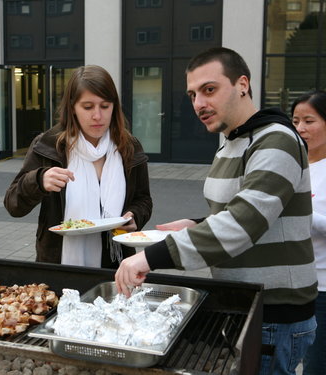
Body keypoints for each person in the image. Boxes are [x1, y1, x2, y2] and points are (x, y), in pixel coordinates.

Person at [115, 47, 317, 375]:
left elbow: (243, 224)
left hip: (276, 312)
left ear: (242, 84)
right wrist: (194, 223)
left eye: (209, 90)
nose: (198, 104)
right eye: (193, 94)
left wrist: (149, 257)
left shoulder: (275, 141)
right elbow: (242, 210)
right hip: (245, 301)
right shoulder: (231, 141)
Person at [5, 65, 152, 268]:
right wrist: (38, 180)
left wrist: (135, 216)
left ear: (114, 107)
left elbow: (143, 199)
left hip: (116, 263)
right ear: (72, 107)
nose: (97, 116)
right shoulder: (48, 145)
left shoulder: (129, 147)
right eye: (88, 107)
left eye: (105, 106)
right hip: (59, 262)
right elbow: (13, 205)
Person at [291, 91, 326, 375]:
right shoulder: (294, 164)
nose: (300, 128)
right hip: (292, 283)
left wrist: (298, 209)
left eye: (309, 121)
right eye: (296, 120)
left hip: (323, 286)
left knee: (316, 364)